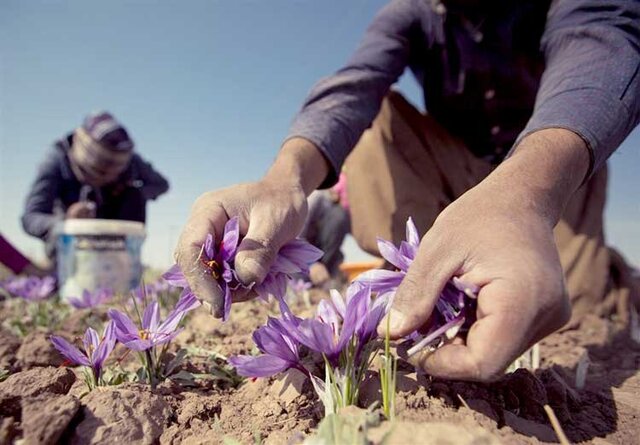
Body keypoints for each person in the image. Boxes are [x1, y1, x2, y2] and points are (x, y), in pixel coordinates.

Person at [175, 0, 640, 381]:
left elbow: (606, 47)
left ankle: (611, 275)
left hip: (549, 168)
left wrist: (523, 195)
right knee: (370, 117)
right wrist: (284, 179)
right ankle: (422, 275)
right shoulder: (414, 12)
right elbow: (353, 87)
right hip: (455, 166)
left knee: (559, 304)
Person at [22, 111, 169, 257]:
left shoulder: (128, 159)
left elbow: (161, 184)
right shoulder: (57, 159)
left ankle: (124, 260)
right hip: (70, 243)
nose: (105, 177)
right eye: (99, 170)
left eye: (113, 171)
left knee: (134, 194)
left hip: (116, 239)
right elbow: (31, 217)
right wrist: (66, 222)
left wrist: (125, 188)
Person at [301, 172, 351, 286]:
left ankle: (326, 279)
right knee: (338, 216)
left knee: (339, 217)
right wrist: (311, 263)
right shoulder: (316, 197)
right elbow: (294, 236)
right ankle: (306, 283)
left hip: (318, 253)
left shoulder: (341, 212)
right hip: (299, 254)